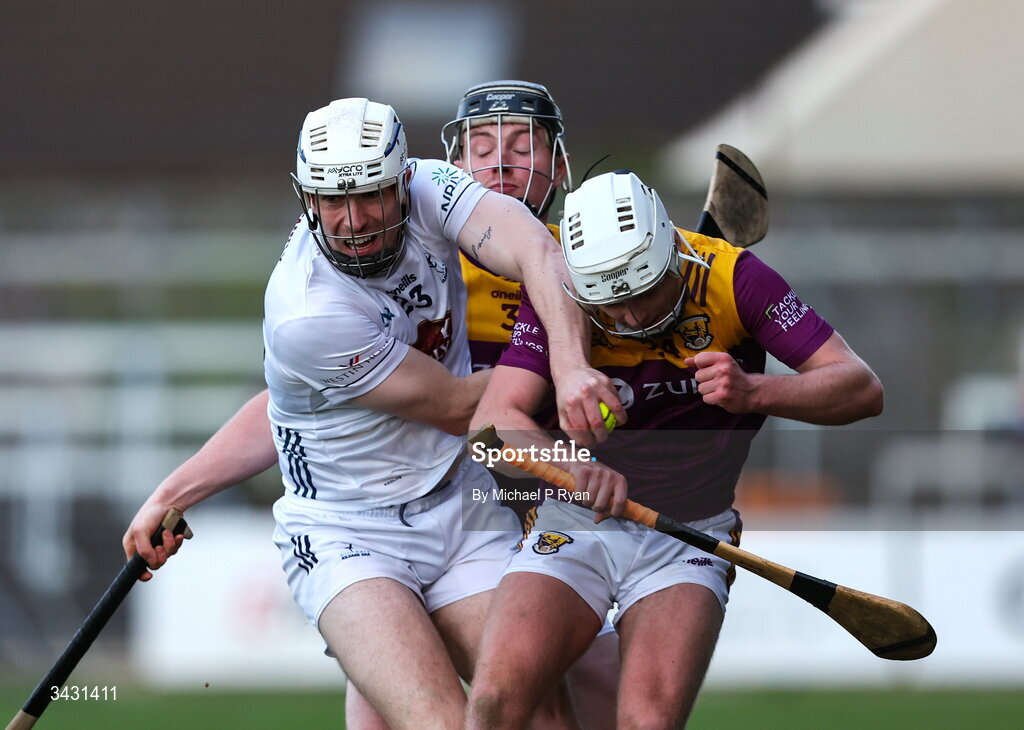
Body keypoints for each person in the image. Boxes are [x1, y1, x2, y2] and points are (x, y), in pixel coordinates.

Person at [124, 97, 623, 730]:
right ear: (306, 197)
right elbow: (457, 407)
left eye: (370, 197)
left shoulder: (432, 188)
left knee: (536, 700)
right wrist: (609, 368)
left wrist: (576, 365)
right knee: (438, 722)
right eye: (331, 200)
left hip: (460, 507)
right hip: (351, 534)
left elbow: (539, 251)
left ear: (401, 180)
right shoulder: (308, 313)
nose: (352, 220)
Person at [465, 170, 884, 729]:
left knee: (647, 723)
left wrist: (754, 390)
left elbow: (862, 389)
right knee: (496, 701)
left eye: (642, 294)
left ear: (668, 257)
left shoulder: (736, 281)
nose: (631, 318)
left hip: (691, 534)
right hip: (575, 522)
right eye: (610, 306)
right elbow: (488, 430)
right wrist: (571, 466)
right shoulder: (562, 291)